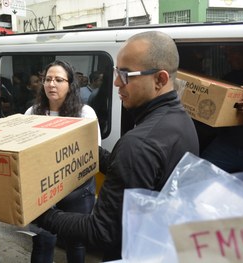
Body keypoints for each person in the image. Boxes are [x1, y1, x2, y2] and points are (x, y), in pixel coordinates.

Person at [36, 31, 200, 261]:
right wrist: (80, 147)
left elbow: (100, 231)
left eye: (125, 75)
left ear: (160, 79)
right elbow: (134, 172)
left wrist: (40, 214)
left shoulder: (139, 143)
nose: (115, 83)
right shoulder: (181, 120)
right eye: (116, 73)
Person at [25, 60, 101, 263]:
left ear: (70, 84)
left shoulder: (85, 114)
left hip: (77, 191)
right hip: (45, 191)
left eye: (59, 80)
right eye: (48, 79)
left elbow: (93, 153)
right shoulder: (32, 113)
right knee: (43, 241)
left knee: (76, 243)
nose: (52, 84)